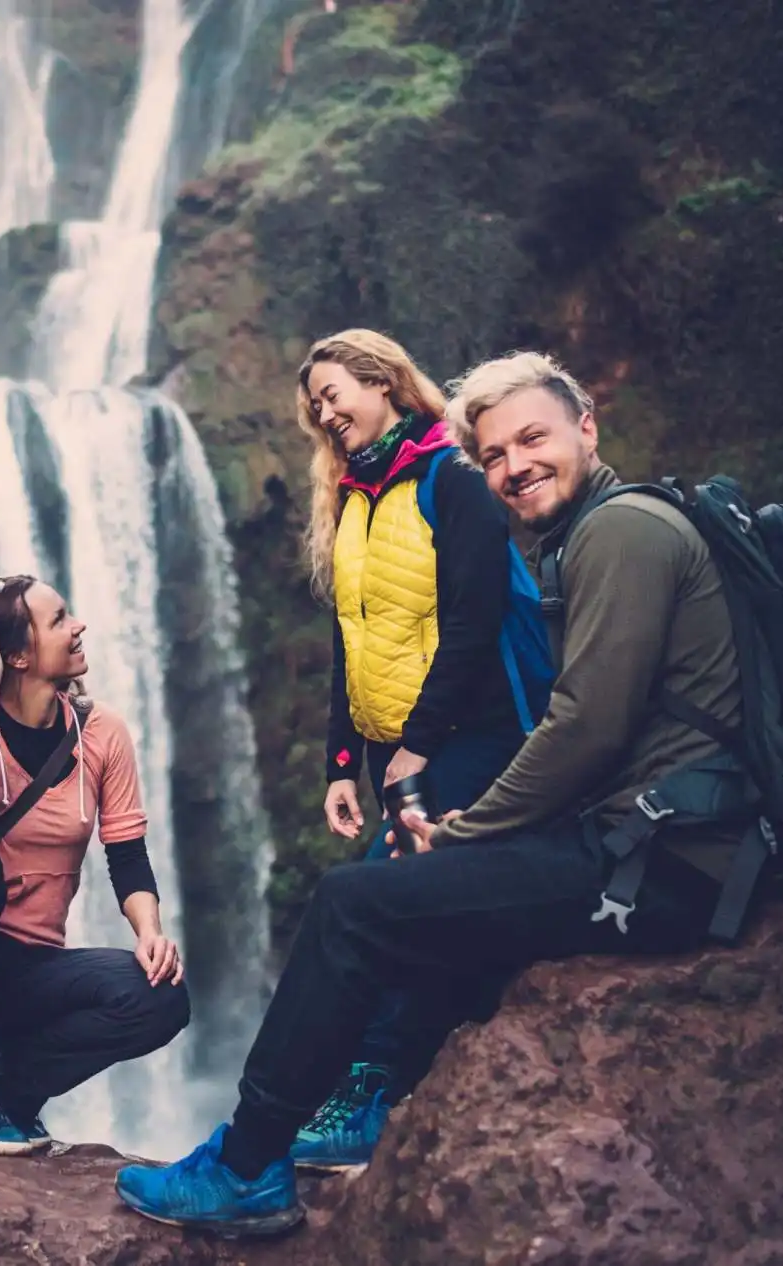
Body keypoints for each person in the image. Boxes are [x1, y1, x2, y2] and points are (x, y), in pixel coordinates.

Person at [114, 351, 743, 1236]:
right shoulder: (578, 534)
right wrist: (354, 765)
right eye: (496, 454)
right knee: (410, 901)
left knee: (352, 904)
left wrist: (466, 825)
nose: (514, 465)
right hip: (642, 838)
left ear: (587, 425)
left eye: (534, 438)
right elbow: (361, 640)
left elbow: (585, 725)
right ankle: (337, 1108)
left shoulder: (619, 534)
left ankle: (250, 1162)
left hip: (663, 860)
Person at [289, 329, 538, 1172]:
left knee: (389, 899)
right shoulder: (353, 498)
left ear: (384, 381)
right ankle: (352, 1090)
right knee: (382, 896)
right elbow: (351, 640)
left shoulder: (453, 478)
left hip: (472, 738)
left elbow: (473, 620)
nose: (326, 414)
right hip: (398, 748)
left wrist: (416, 751)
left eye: (335, 394)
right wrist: (340, 764)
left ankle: (372, 1094)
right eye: (316, 406)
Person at [0, 573, 190, 1156]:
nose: (79, 626)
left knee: (162, 998)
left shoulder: (102, 732)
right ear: (17, 654)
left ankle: (10, 1094)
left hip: (30, 965)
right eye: (59, 620)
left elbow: (127, 855)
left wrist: (151, 934)